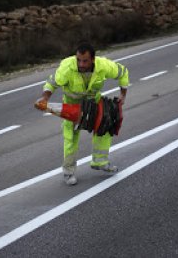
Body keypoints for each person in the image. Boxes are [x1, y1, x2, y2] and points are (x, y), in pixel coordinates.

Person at [36, 42, 129, 185]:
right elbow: (52, 83)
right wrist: (45, 98)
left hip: (93, 103)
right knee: (70, 138)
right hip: (72, 105)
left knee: (105, 125)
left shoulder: (103, 65)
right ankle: (68, 172)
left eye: (85, 60)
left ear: (93, 59)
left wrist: (123, 95)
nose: (81, 64)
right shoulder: (67, 67)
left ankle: (99, 161)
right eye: (78, 59)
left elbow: (122, 72)